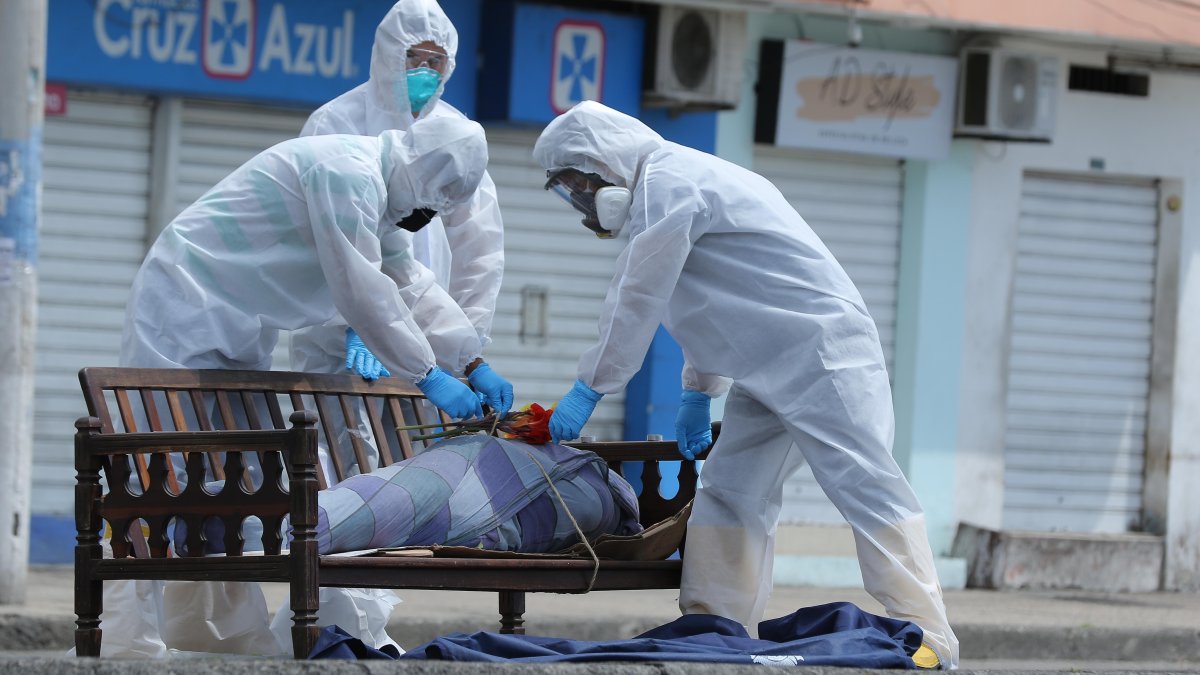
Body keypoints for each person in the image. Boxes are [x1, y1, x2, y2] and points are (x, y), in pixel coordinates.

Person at [533, 101, 959, 668]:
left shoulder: (670, 180)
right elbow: (704, 303)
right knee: (732, 490)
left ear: (606, 160)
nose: (584, 203)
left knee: (866, 486)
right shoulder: (665, 188)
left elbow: (638, 295)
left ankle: (930, 637)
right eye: (570, 192)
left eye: (581, 185)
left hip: (820, 353)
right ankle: (718, 628)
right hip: (767, 366)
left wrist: (592, 387)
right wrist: (698, 389)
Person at [108, 115, 505, 657]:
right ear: (418, 170)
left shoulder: (384, 192)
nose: (425, 217)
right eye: (431, 203)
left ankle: (218, 644)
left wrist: (472, 360)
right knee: (162, 478)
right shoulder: (347, 172)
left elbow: (409, 283)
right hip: (182, 304)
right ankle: (126, 647)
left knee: (233, 480)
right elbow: (362, 289)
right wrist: (428, 374)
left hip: (238, 320)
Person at [290, 0, 508, 438]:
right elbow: (327, 242)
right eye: (414, 57)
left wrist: (467, 351)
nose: (425, 70)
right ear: (389, 52)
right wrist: (347, 322)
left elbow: (479, 249)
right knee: (337, 452)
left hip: (426, 329)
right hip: (338, 342)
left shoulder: (458, 136)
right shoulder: (336, 123)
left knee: (417, 464)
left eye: (436, 60)